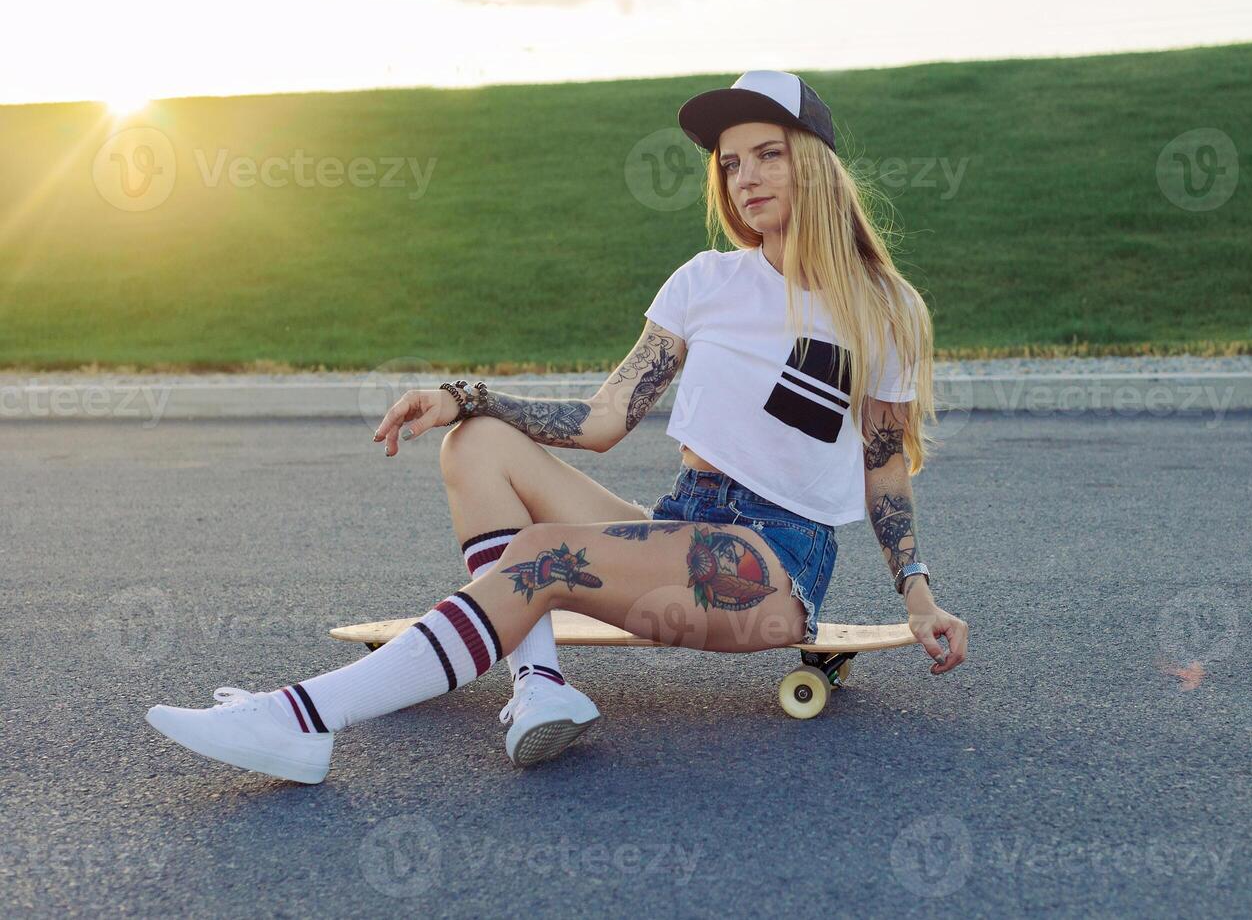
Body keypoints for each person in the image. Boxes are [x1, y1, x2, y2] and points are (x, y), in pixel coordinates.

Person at [145, 70, 970, 784]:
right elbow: (604, 418)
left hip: (773, 571)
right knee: (481, 446)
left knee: (539, 556)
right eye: (729, 162)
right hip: (683, 531)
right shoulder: (704, 283)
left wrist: (918, 593)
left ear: (815, 164)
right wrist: (467, 398)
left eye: (768, 154)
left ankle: (298, 720)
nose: (745, 177)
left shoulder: (884, 309)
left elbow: (885, 468)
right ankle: (538, 683)